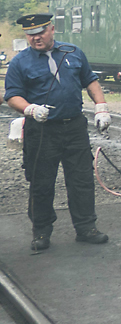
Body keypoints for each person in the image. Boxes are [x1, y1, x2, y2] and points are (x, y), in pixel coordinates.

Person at [4, 13, 112, 251]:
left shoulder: (73, 52)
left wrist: (101, 107)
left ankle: (86, 228)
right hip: (42, 131)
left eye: (40, 32)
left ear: (52, 29)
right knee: (41, 183)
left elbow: (90, 80)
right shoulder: (20, 62)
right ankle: (41, 232)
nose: (36, 38)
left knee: (81, 180)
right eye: (30, 34)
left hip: (74, 127)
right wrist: (30, 108)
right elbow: (12, 96)